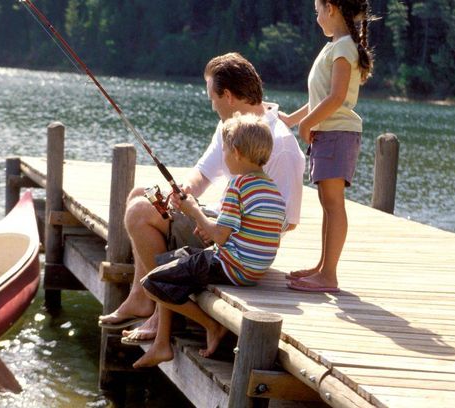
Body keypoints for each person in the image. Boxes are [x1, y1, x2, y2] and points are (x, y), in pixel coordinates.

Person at [98, 52, 305, 344]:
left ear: (229, 96)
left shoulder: (280, 144)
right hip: (220, 222)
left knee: (139, 212)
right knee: (140, 194)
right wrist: (182, 194)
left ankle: (158, 311)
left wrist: (214, 225)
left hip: (232, 244)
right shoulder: (233, 129)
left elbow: (285, 221)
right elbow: (203, 173)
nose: (211, 105)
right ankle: (139, 297)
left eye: (212, 98)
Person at [132, 113, 286, 367]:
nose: (223, 156)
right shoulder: (271, 188)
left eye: (224, 150)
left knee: (152, 281)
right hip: (254, 270)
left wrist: (193, 211)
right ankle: (170, 328)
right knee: (173, 259)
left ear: (235, 152)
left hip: (231, 267)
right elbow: (248, 231)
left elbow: (219, 236)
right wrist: (209, 227)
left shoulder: (238, 185)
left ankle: (211, 325)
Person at [280, 0, 374, 292]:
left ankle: (329, 275)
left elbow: (335, 98)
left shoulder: (344, 47)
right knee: (327, 203)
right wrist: (292, 120)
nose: (316, 16)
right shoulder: (335, 46)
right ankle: (322, 267)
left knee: (334, 205)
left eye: (317, 10)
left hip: (337, 134)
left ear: (331, 9)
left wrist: (307, 124)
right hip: (329, 134)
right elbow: (319, 97)